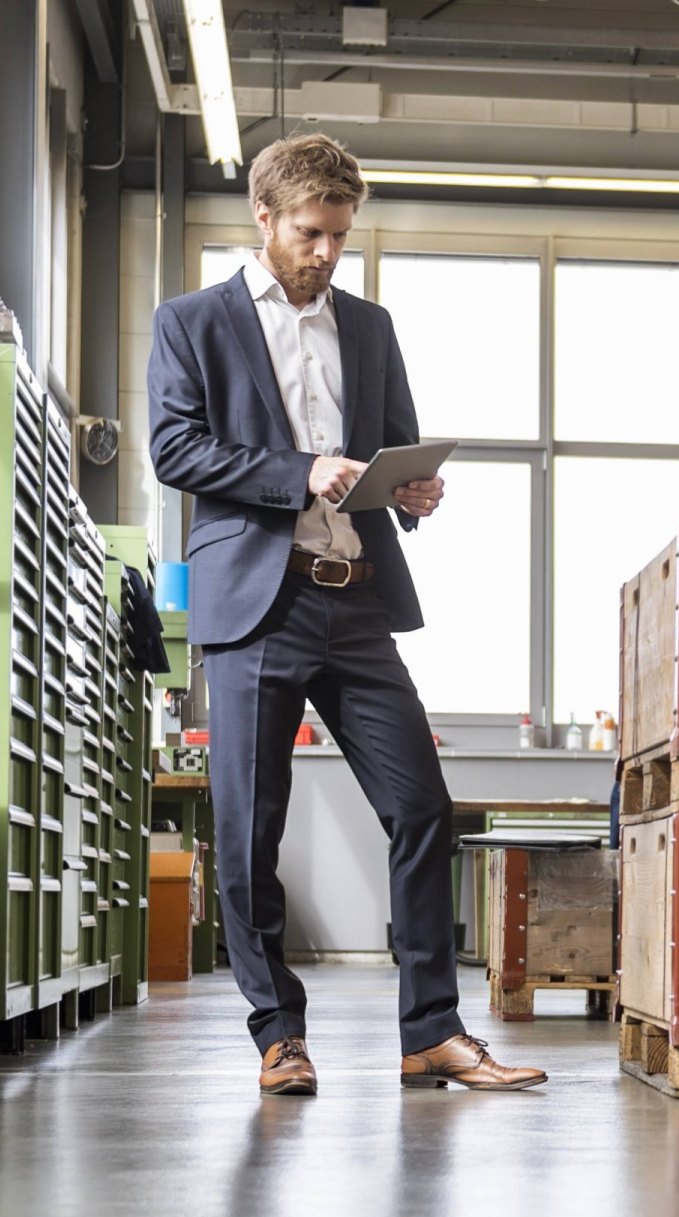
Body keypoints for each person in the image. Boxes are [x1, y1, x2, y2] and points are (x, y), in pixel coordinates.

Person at [147, 133, 545, 1096]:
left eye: (340, 234)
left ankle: (431, 1033)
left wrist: (408, 490)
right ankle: (278, 1032)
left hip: (356, 599)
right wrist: (298, 473)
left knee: (421, 808)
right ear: (267, 219)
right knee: (248, 832)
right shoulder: (192, 322)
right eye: (312, 232)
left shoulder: (370, 327)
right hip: (256, 602)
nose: (327, 252)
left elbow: (390, 447)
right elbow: (173, 448)